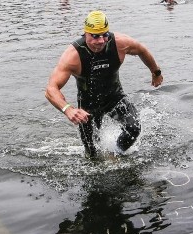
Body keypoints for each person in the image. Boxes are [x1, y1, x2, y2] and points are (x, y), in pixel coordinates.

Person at [45, 10, 163, 158]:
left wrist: (156, 72)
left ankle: (116, 154)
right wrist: (68, 109)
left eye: (104, 35)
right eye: (95, 36)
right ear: (86, 33)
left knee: (133, 129)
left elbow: (142, 50)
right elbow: (50, 89)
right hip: (88, 107)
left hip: (115, 97)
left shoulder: (120, 43)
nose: (100, 41)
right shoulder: (73, 56)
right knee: (92, 154)